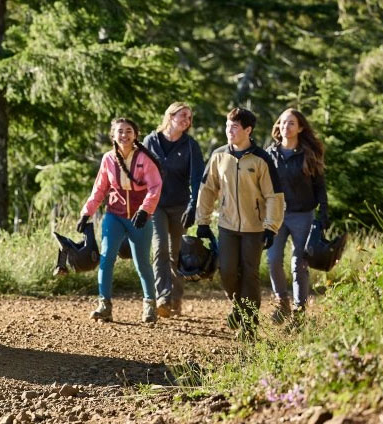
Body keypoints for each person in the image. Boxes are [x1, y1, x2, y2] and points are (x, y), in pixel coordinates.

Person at [196, 107, 285, 338]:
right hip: (227, 225)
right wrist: (202, 221)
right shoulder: (219, 155)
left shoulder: (261, 159)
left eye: (235, 127)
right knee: (226, 272)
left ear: (248, 130)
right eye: (227, 126)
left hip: (255, 229)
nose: (229, 131)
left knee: (250, 274)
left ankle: (249, 325)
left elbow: (274, 195)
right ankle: (238, 307)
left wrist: (270, 227)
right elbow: (207, 189)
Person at [78, 117, 163, 323]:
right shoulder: (108, 159)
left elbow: (155, 186)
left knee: (142, 262)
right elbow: (100, 189)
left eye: (128, 131)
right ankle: (104, 305)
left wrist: (145, 210)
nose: (124, 135)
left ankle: (150, 305)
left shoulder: (145, 158)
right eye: (120, 131)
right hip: (114, 215)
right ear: (113, 135)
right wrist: (86, 212)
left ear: (135, 134)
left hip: (139, 218)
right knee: (106, 258)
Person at [142, 102, 205, 318]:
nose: (187, 120)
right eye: (183, 115)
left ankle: (177, 297)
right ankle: (163, 298)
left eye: (189, 118)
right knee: (160, 249)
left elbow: (198, 179)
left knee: (176, 252)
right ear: (170, 115)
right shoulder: (151, 141)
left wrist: (193, 205)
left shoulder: (190, 146)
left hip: (180, 205)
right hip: (156, 204)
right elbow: (139, 173)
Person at [266, 108, 328, 323]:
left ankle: (299, 310)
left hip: (303, 215)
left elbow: (320, 186)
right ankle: (281, 302)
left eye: (291, 123)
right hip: (276, 215)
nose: (286, 127)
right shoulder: (270, 153)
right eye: (283, 122)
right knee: (273, 260)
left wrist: (323, 213)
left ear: (300, 127)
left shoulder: (308, 155)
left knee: (298, 263)